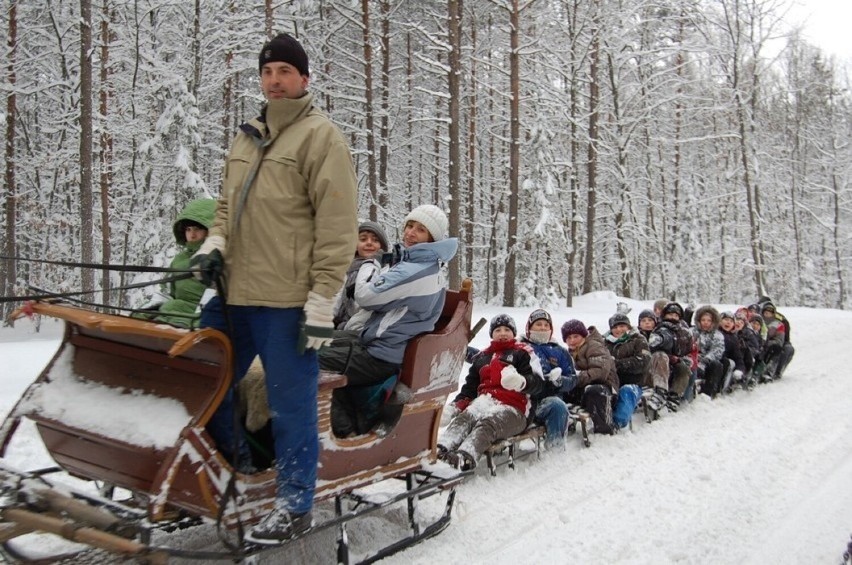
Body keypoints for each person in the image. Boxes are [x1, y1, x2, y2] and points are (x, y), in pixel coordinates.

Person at [191, 32, 358, 545]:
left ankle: (294, 503)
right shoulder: (246, 137)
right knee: (200, 382)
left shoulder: (320, 137)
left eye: (285, 71)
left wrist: (320, 302)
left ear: (304, 79)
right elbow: (224, 209)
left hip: (287, 303)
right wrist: (212, 245)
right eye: (267, 73)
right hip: (232, 295)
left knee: (291, 406)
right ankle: (236, 466)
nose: (275, 81)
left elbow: (337, 228)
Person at [319, 204, 458, 438]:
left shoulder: (417, 271)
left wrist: (371, 263)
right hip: (370, 341)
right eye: (410, 226)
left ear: (432, 238)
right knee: (308, 340)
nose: (411, 233)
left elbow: (366, 296)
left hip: (379, 355)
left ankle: (344, 432)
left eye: (421, 230)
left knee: (304, 357)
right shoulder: (411, 263)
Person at [439, 314, 543, 470]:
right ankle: (442, 449)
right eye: (498, 330)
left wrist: (522, 382)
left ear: (513, 333)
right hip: (485, 401)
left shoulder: (523, 353)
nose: (502, 333)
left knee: (488, 423)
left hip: (516, 409)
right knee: (465, 418)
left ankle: (465, 457)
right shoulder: (482, 357)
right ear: (491, 334)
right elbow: (470, 389)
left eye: (507, 329)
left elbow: (539, 384)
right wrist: (455, 406)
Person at [136, 198, 216, 328]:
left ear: (209, 231)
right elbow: (166, 291)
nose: (192, 235)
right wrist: (149, 310)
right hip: (172, 310)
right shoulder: (179, 259)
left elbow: (214, 295)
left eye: (197, 229)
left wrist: (198, 320)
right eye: (188, 229)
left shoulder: (213, 260)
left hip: (196, 315)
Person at [520, 309, 576, 448]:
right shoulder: (520, 347)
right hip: (525, 402)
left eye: (546, 325)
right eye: (538, 324)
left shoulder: (560, 351)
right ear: (529, 327)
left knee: (557, 405)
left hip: (549, 402)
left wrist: (559, 382)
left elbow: (573, 378)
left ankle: (555, 448)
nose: (543, 328)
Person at [560, 319, 620, 434]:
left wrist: (576, 378)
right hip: (583, 387)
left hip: (605, 389)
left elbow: (600, 372)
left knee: (595, 391)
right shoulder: (570, 352)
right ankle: (567, 423)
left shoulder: (594, 346)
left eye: (575, 336)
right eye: (568, 338)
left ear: (583, 335)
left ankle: (605, 428)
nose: (572, 341)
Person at [332, 221, 390, 331]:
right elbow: (336, 301)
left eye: (375, 240)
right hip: (340, 326)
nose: (369, 243)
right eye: (363, 239)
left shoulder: (385, 271)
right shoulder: (346, 270)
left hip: (364, 328)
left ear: (382, 247)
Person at [692, 305, 725, 398]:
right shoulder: (692, 332)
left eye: (709, 321)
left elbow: (717, 350)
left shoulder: (717, 335)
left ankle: (708, 393)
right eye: (703, 320)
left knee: (717, 365)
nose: (706, 323)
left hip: (708, 360)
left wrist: (705, 360)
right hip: (694, 359)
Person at [760, 301, 795, 380]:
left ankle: (775, 371)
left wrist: (769, 343)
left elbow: (780, 339)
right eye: (765, 313)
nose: (767, 315)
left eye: (769, 313)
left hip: (774, 344)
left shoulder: (779, 323)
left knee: (780, 349)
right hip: (761, 343)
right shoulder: (758, 321)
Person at [718, 311, 745, 392]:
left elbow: (738, 357)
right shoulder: (713, 332)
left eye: (731, 321)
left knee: (728, 362)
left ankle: (719, 388)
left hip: (723, 360)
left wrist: (740, 369)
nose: (728, 322)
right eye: (726, 319)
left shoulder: (733, 339)